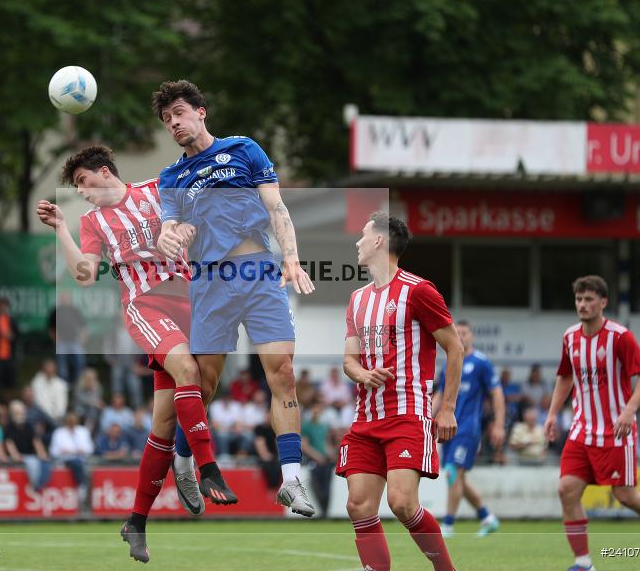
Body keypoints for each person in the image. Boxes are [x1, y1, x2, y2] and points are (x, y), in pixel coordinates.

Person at [37, 144, 236, 563]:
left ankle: (136, 521)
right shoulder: (91, 222)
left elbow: (198, 223)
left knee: (166, 422)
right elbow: (85, 275)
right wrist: (61, 229)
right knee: (185, 368)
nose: (82, 192)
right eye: (76, 187)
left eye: (82, 182)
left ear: (105, 172)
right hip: (146, 305)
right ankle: (207, 468)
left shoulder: (157, 188)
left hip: (193, 300)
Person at [153, 80, 317, 519]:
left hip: (260, 274)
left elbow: (276, 207)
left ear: (201, 111)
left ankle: (291, 481)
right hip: (210, 283)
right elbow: (167, 231)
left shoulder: (243, 149)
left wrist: (292, 259)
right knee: (203, 386)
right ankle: (184, 461)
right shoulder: (172, 177)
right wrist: (174, 237)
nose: (174, 123)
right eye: (167, 119)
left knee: (282, 373)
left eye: (180, 113)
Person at [335, 212, 461, 571]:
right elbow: (349, 359)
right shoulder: (357, 298)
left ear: (379, 241)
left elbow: (455, 348)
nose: (357, 243)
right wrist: (363, 373)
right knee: (358, 505)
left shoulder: (419, 291)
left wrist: (447, 407)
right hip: (365, 419)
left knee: (403, 503)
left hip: (407, 413)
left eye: (362, 235)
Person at [543, 275, 640, 571]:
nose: (583, 305)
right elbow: (565, 376)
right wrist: (552, 414)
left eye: (589, 300)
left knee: (625, 495)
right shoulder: (570, 337)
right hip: (581, 431)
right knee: (567, 489)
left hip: (615, 432)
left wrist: (629, 410)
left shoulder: (619, 336)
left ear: (603, 302)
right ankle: (583, 563)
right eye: (579, 299)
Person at [432, 320, 505, 538]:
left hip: (468, 428)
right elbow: (439, 393)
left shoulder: (481, 363)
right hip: (447, 428)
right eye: (457, 332)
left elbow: (497, 393)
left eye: (464, 332)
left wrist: (499, 425)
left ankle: (448, 525)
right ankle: (486, 517)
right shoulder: (448, 364)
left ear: (471, 336)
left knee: (453, 472)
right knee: (457, 477)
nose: (461, 336)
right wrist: (427, 416)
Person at [49, 412, 93, 510]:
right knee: (76, 463)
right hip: (64, 460)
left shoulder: (83, 431)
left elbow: (90, 449)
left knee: (81, 464)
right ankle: (82, 489)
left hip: (82, 459)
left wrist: (82, 450)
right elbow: (53, 451)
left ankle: (84, 492)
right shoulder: (59, 433)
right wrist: (64, 451)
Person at [5, 400, 52, 492]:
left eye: (22, 412)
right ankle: (36, 487)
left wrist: (42, 454)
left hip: (30, 455)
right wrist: (16, 456)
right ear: (12, 413)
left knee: (45, 463)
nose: (20, 414)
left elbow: (36, 441)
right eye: (17, 412)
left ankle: (42, 485)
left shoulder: (28, 426)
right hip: (19, 457)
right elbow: (9, 444)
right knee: (32, 463)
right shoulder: (8, 427)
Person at [31, 358, 68, 424]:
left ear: (55, 369)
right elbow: (38, 401)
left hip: (56, 417)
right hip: (41, 415)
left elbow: (61, 403)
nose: (49, 370)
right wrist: (47, 416)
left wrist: (58, 415)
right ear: (43, 369)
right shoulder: (37, 382)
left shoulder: (61, 384)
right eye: (47, 368)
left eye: (51, 368)